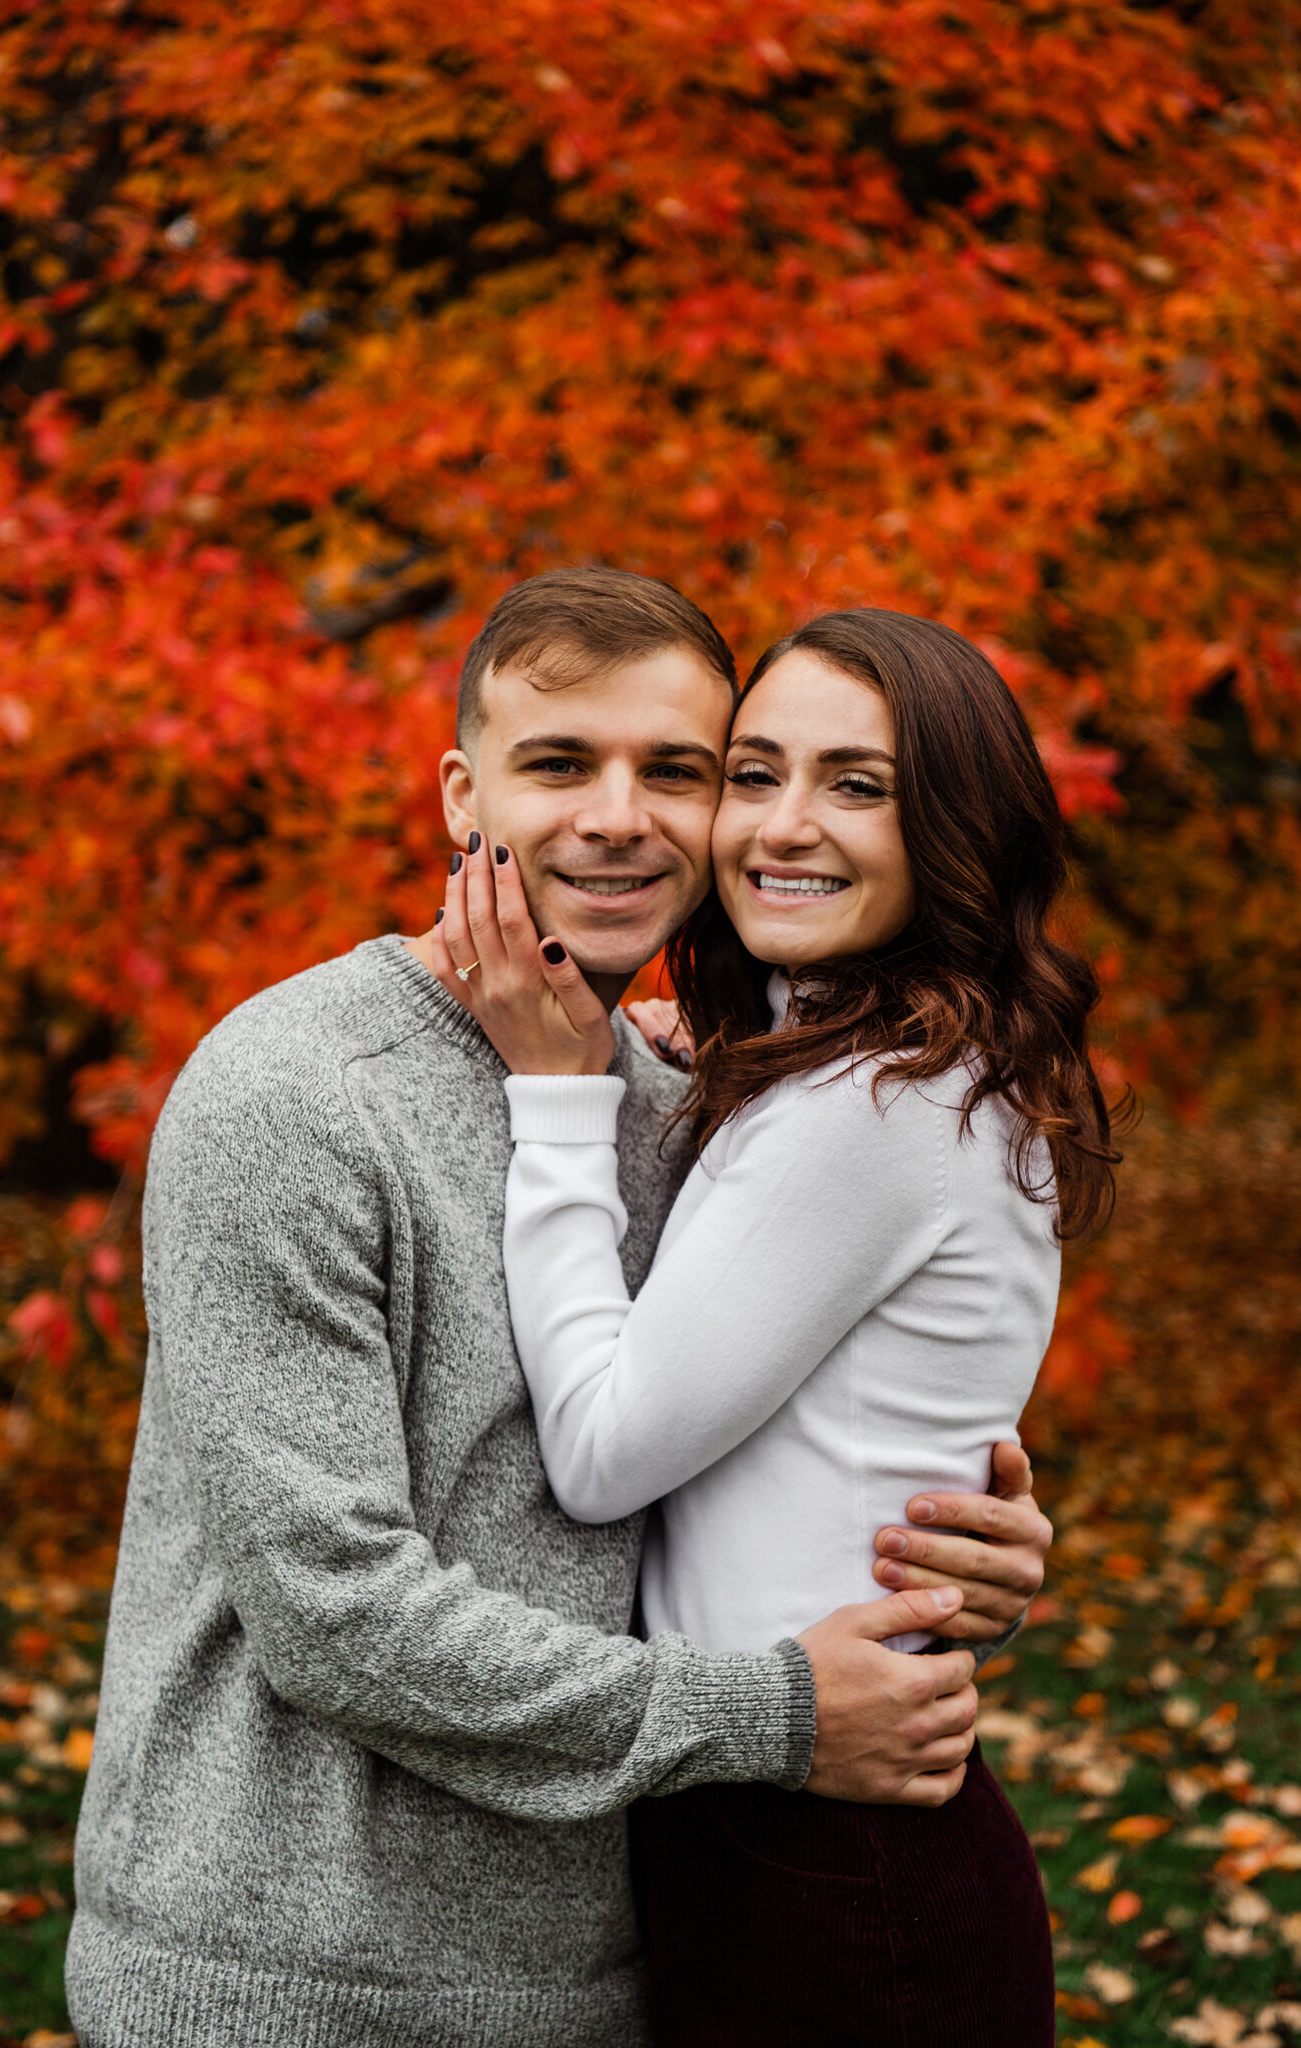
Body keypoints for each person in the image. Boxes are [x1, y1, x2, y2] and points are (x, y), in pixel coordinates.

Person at [67, 571, 1053, 2048]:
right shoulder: (286, 1095)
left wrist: (955, 1550)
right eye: (558, 763)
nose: (619, 817)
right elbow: (335, 1613)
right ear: (465, 795)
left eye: (677, 770)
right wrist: (779, 1713)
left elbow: (759, 1455)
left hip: (608, 1970)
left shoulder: (681, 1110)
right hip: (288, 1986)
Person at [431, 605, 1119, 2047]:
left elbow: (607, 1457)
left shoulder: (880, 1108)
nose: (781, 826)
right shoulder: (884, 1066)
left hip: (833, 1863)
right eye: (753, 774)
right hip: (790, 1809)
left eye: (857, 785)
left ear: (952, 825)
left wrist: (562, 1099)